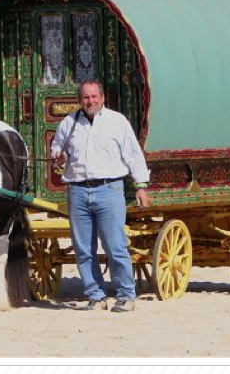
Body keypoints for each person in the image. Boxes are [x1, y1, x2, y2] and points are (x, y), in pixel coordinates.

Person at [51, 80, 150, 312]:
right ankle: (96, 295)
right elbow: (56, 147)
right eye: (86, 97)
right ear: (80, 100)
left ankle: (126, 294)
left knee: (115, 246)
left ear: (102, 98)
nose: (90, 101)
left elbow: (134, 155)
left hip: (109, 189)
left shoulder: (117, 122)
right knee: (84, 249)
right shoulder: (69, 123)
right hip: (77, 190)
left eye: (94, 97)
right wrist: (59, 155)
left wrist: (141, 185)